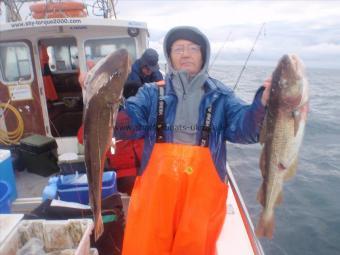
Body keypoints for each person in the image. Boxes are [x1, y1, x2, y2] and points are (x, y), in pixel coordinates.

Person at [120, 26, 271, 255]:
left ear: (204, 55)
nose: (186, 54)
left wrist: (264, 104)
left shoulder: (221, 96)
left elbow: (247, 129)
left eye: (193, 48)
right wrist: (103, 103)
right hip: (154, 203)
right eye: (178, 48)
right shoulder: (151, 94)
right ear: (169, 56)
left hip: (201, 204)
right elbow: (126, 125)